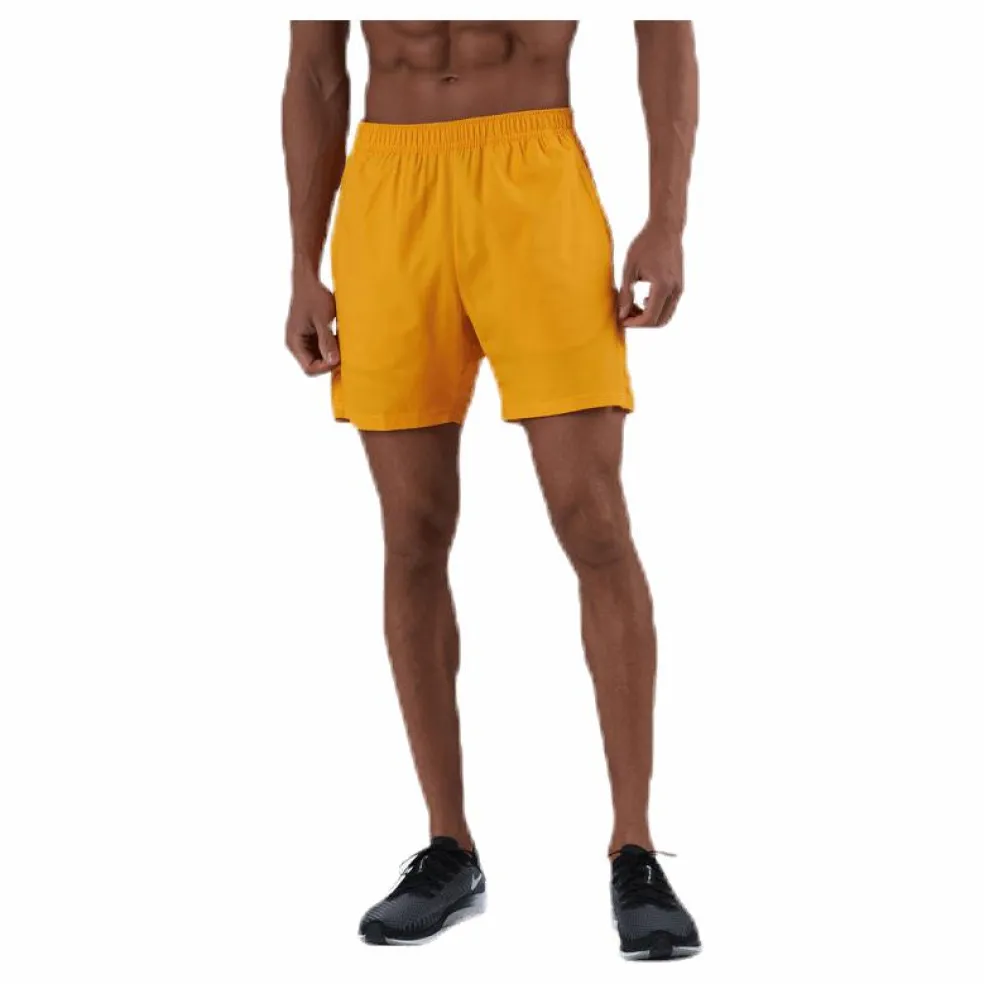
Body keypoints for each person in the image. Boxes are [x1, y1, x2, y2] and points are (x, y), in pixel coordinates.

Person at [282, 20, 700, 960]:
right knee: (413, 528)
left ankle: (635, 849)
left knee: (592, 518)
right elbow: (314, 67)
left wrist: (666, 219)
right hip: (388, 191)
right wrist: (304, 264)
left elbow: (664, 28)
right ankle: (449, 847)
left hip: (533, 178)